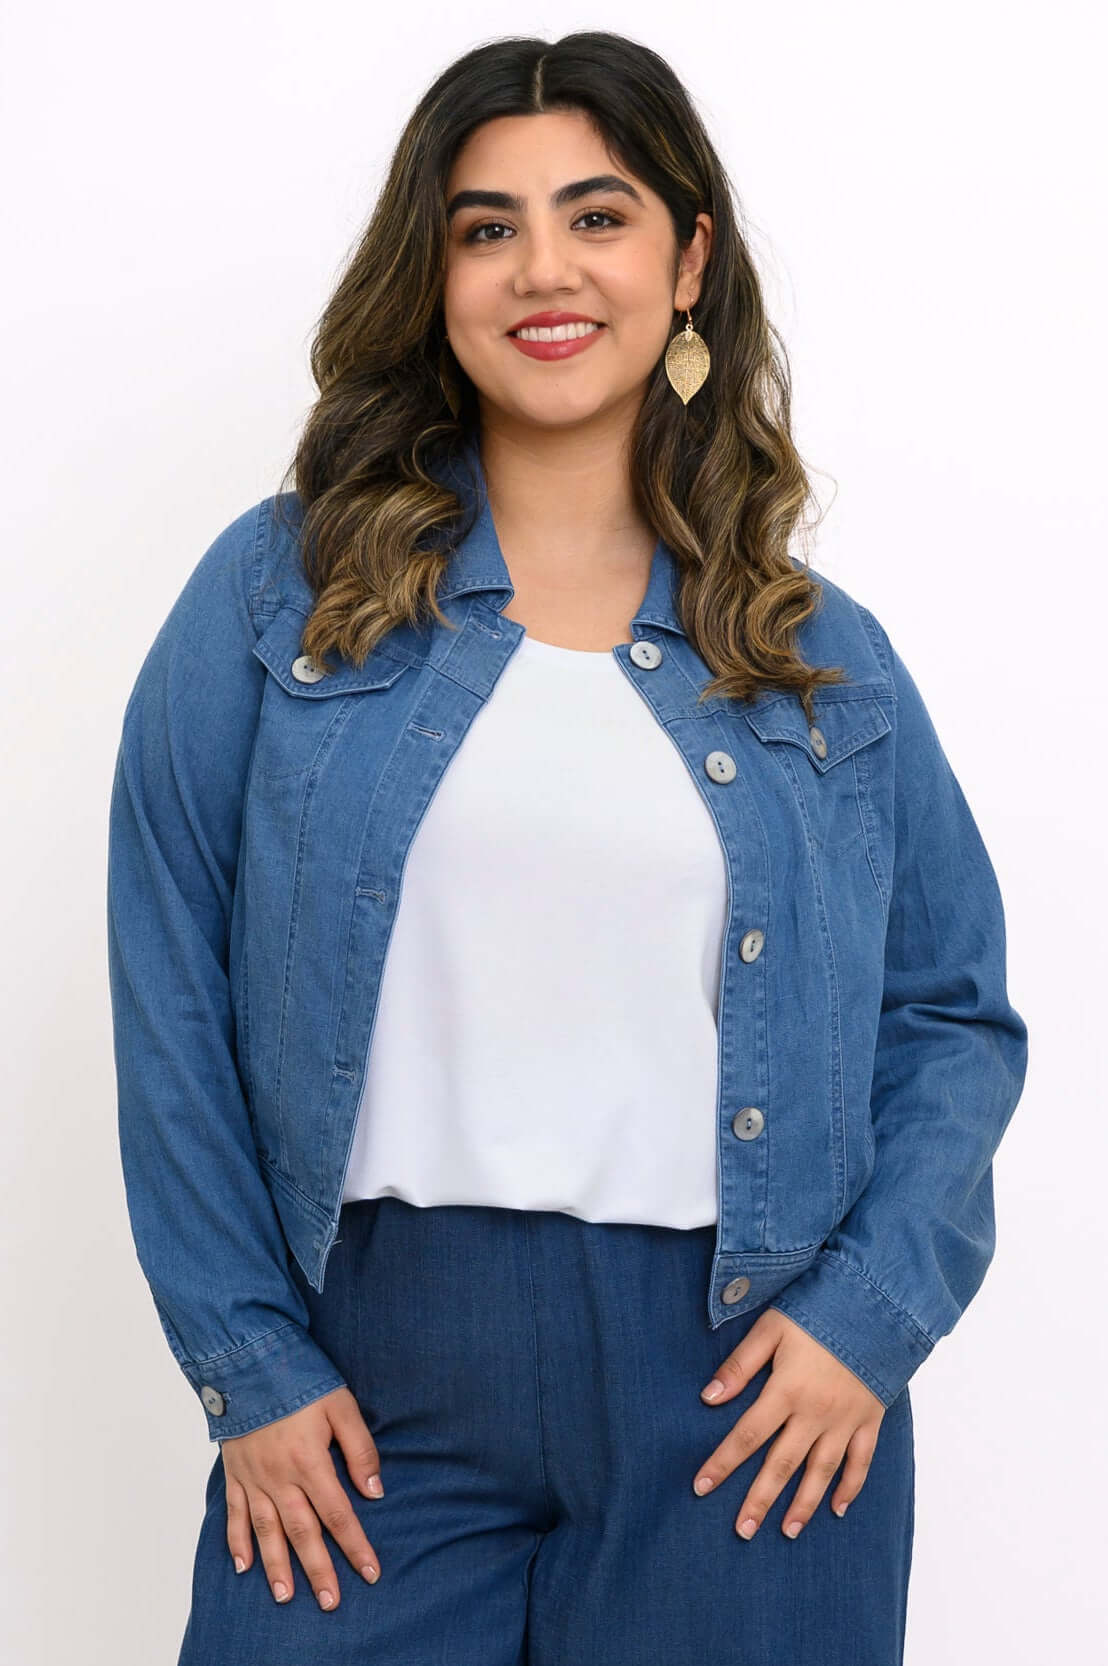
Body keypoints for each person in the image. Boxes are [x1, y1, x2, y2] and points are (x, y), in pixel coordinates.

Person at [105, 30, 1029, 1666]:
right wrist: (247, 1357)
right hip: (367, 1382)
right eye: (487, 226)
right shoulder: (282, 599)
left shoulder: (820, 658)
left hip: (740, 1397)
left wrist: (864, 1325)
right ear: (435, 274)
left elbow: (951, 1014)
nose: (545, 268)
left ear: (689, 265)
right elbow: (167, 971)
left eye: (598, 218)